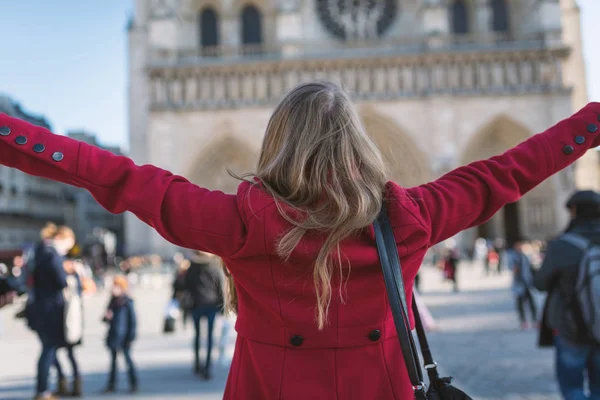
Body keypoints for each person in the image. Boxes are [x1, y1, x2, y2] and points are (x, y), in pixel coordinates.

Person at [0, 84, 598, 399]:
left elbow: (112, 175)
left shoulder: (234, 224)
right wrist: (593, 120)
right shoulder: (412, 219)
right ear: (359, 147)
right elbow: (515, 168)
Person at [535, 190, 600, 400]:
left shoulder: (563, 245)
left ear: (574, 211)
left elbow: (540, 283)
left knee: (573, 388)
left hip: (571, 326)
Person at [27, 223, 76, 400]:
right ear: (61, 239)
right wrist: (67, 272)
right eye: (69, 244)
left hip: (40, 308)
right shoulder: (52, 255)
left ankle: (53, 384)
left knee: (49, 349)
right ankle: (43, 390)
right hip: (50, 309)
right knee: (49, 349)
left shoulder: (41, 251)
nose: (68, 249)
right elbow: (60, 281)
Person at [182, 251, 224, 379]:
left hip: (196, 304)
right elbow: (220, 287)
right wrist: (222, 305)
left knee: (197, 335)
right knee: (210, 336)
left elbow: (186, 285)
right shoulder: (214, 266)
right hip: (211, 304)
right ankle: (207, 366)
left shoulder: (192, 266)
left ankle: (196, 363)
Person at [52, 259, 84, 397]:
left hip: (70, 323)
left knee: (69, 354)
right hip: (60, 322)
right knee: (53, 354)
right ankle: (62, 381)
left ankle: (76, 383)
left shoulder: (74, 281)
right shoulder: (60, 277)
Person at [102, 275, 138, 394]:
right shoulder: (112, 301)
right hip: (113, 335)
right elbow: (106, 318)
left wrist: (131, 336)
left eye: (117, 286)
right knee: (113, 363)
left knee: (128, 361)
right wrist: (106, 318)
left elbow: (133, 321)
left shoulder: (127, 302)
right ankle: (111, 385)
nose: (114, 289)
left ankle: (134, 384)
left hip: (124, 337)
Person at [507, 237, 538, 330]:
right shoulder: (512, 256)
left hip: (527, 282)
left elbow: (531, 268)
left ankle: (534, 320)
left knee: (532, 302)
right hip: (519, 283)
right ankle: (523, 321)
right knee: (520, 303)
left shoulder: (526, 255)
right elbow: (510, 267)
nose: (520, 246)